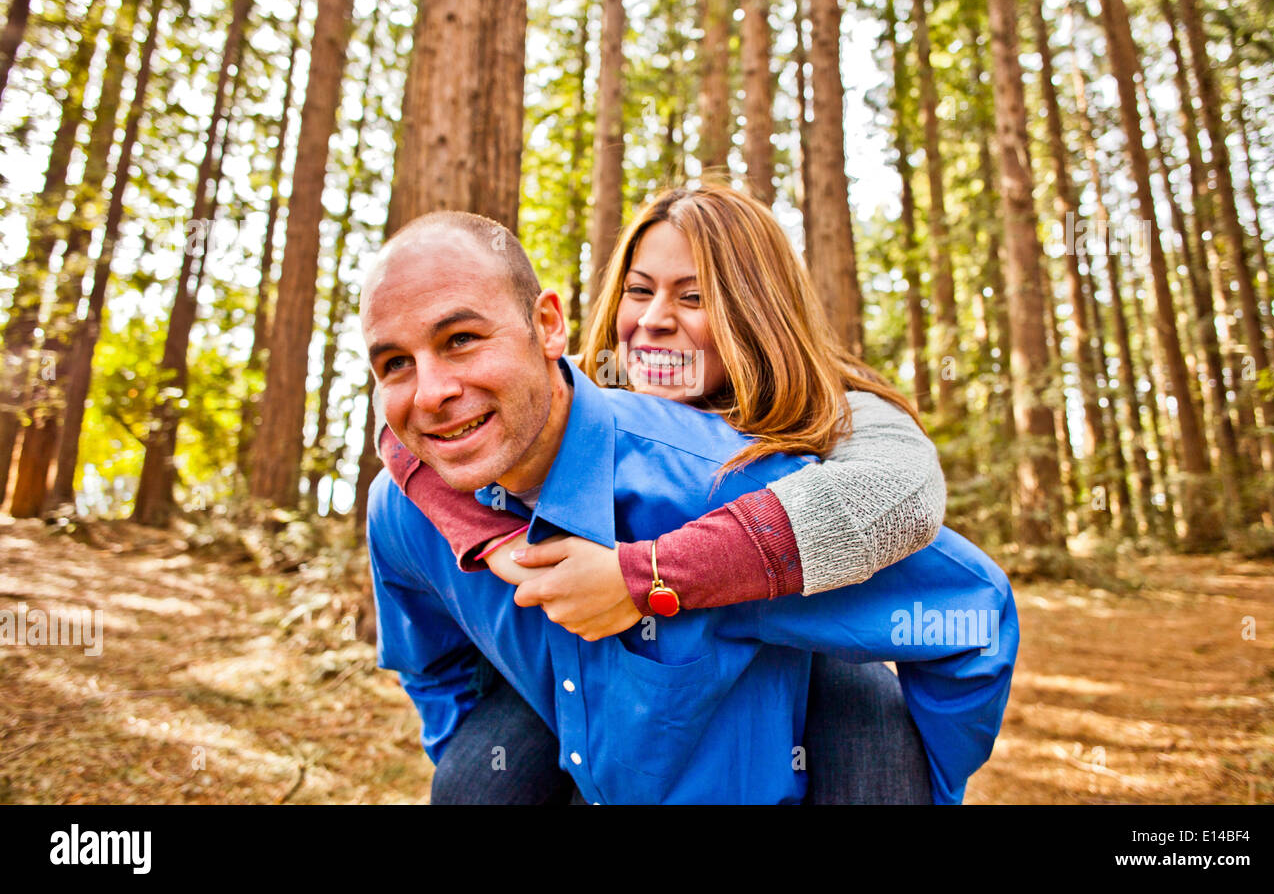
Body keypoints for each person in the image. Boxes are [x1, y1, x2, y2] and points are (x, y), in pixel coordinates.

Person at [363, 206, 1018, 804]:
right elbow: (426, 418)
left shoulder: (823, 417)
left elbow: (902, 496)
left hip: (808, 624)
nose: (652, 320)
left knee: (867, 725)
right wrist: (468, 524)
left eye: (695, 296)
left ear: (760, 314)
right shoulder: (557, 387)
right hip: (588, 680)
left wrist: (647, 575)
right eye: (639, 291)